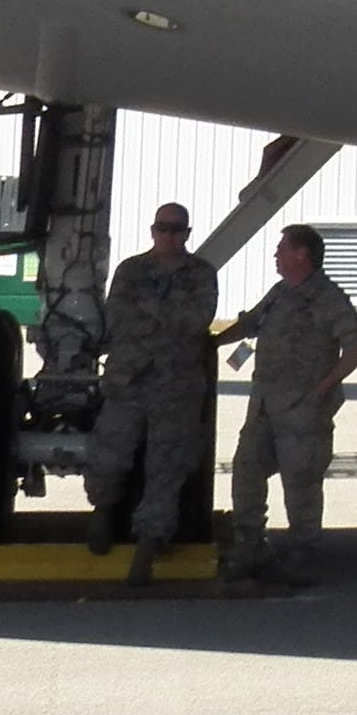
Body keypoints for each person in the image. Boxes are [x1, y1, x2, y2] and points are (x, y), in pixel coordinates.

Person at [214, 222, 357, 585]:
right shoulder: (280, 293)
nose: (276, 255)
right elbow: (250, 325)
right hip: (265, 406)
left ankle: (303, 553)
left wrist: (325, 386)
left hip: (303, 410)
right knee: (247, 469)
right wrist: (211, 344)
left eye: (282, 248)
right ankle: (250, 544)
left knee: (300, 481)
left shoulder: (327, 298)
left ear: (302, 255)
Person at [83, 201, 220, 579]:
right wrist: (164, 319)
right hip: (129, 381)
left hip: (176, 387)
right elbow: (117, 316)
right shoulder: (131, 269)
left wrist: (150, 316)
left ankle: (149, 541)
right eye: (163, 228)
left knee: (167, 465)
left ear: (187, 234)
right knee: (110, 453)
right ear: (152, 231)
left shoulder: (201, 273)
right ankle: (103, 512)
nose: (169, 235)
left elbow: (197, 320)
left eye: (176, 229)